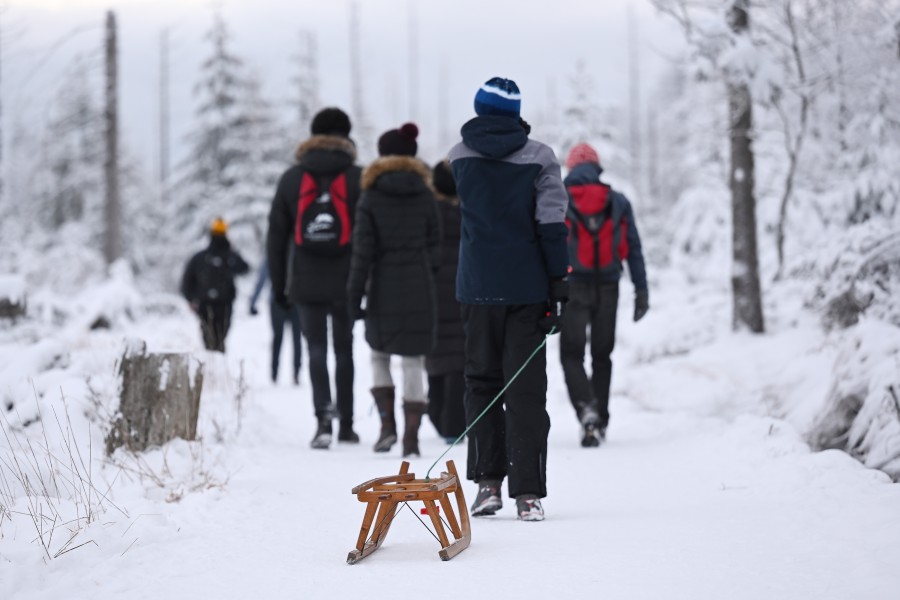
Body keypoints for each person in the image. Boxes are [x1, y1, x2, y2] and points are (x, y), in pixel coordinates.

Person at [447, 77, 569, 522]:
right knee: (526, 389)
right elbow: (552, 224)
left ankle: (486, 485)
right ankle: (528, 494)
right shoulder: (540, 158)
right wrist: (560, 285)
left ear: (479, 109)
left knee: (481, 385)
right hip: (527, 290)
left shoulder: (457, 157)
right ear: (516, 113)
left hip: (476, 288)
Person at [267, 107, 361, 449]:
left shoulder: (292, 178)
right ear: (346, 136)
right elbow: (368, 237)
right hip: (347, 279)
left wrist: (279, 287)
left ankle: (323, 421)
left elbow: (275, 238)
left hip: (305, 281)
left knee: (316, 349)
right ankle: (347, 425)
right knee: (345, 350)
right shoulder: (357, 177)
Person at [347, 123, 441, 458]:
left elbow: (362, 252)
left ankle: (387, 426)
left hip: (382, 286)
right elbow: (436, 245)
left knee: (379, 354)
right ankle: (411, 438)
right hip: (419, 284)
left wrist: (354, 295)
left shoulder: (371, 197)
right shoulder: (425, 194)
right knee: (414, 359)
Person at [560, 142, 648, 447]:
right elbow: (633, 248)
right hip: (609, 286)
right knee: (602, 356)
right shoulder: (618, 201)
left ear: (570, 169)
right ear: (597, 169)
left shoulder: (559, 199)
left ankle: (587, 410)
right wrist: (641, 290)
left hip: (572, 287)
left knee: (571, 354)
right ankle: (601, 419)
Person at [425, 159, 467, 443]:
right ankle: (454, 422)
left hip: (433, 290)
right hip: (464, 288)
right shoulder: (470, 211)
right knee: (460, 356)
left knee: (436, 353)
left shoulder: (429, 211)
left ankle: (439, 416)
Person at [180, 218, 250, 352]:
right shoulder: (229, 256)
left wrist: (190, 299)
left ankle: (213, 365)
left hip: (207, 304)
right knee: (219, 339)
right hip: (221, 304)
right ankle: (216, 365)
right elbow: (245, 268)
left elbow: (186, 281)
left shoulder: (201, 257)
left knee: (210, 340)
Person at [249, 258, 303, 384]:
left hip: (277, 303)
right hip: (295, 302)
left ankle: (275, 374)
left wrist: (253, 302)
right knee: (296, 339)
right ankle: (295, 374)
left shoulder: (272, 255)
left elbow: (262, 280)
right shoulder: (298, 251)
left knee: (278, 338)